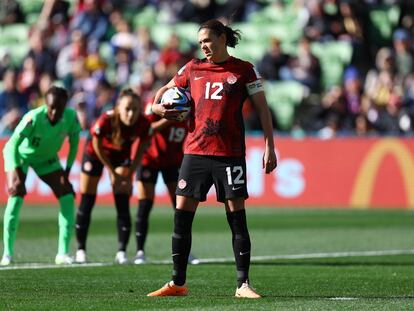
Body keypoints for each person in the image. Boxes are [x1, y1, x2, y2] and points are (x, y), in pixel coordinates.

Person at [147, 19, 277, 298]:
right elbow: (161, 93)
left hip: (229, 155)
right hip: (194, 152)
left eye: (207, 40)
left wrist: (270, 146)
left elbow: (263, 110)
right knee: (181, 217)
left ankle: (243, 285)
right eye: (200, 42)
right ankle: (177, 282)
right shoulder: (192, 68)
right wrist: (158, 108)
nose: (204, 46)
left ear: (222, 38)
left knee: (237, 218)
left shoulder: (244, 70)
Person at [1, 86, 80, 266]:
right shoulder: (33, 118)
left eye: (58, 108)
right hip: (21, 156)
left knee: (67, 195)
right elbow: (12, 145)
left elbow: (74, 146)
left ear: (65, 106)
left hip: (47, 159)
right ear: (46, 104)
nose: (54, 112)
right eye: (51, 107)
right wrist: (16, 175)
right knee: (16, 195)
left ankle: (62, 253)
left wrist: (66, 173)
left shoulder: (71, 118)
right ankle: (7, 253)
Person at [74, 88, 151, 264]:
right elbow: (96, 145)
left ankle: (121, 251)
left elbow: (141, 148)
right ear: (118, 108)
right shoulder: (106, 119)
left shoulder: (142, 123)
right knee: (87, 200)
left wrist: (129, 173)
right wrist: (111, 172)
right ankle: (81, 250)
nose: (131, 114)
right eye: (127, 109)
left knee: (122, 200)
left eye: (135, 109)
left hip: (120, 157)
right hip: (95, 155)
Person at [134, 101, 198, 265]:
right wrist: (169, 118)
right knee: (145, 205)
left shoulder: (191, 109)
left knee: (180, 207)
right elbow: (147, 129)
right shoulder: (158, 105)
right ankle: (139, 252)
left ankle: (185, 251)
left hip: (173, 162)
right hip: (150, 159)